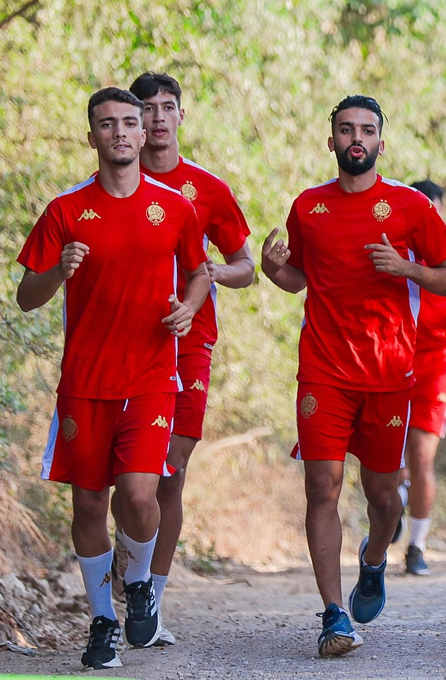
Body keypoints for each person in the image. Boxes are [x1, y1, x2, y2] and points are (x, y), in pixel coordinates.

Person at [16, 87, 210, 669]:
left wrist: (188, 308)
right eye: (108, 124)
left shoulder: (174, 206)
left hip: (151, 376)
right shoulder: (65, 210)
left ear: (143, 132)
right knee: (87, 505)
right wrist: (58, 270)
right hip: (85, 382)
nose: (121, 132)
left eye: (130, 122)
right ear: (92, 135)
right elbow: (26, 296)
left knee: (141, 495)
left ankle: (142, 580)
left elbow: (200, 272)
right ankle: (102, 622)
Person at [261, 95, 446, 657]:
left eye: (367, 130)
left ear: (380, 142)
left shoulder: (409, 206)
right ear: (332, 141)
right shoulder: (309, 207)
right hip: (323, 370)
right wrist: (274, 270)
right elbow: (299, 278)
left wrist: (405, 268)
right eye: (346, 130)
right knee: (321, 487)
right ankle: (333, 614)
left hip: (390, 373)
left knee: (383, 495)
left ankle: (373, 560)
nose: (356, 138)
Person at [105, 73, 255, 646]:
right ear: (134, 121)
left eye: (168, 107)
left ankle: (151, 600)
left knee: (171, 469)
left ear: (181, 117)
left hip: (189, 341)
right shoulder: (112, 181)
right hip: (120, 342)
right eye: (147, 108)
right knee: (124, 480)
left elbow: (245, 266)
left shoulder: (206, 189)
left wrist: (211, 272)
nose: (158, 117)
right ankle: (129, 545)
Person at [389, 179, 446, 576]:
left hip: (436, 364)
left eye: (436, 208)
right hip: (392, 358)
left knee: (420, 456)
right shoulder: (392, 245)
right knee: (388, 458)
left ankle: (416, 546)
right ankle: (398, 497)